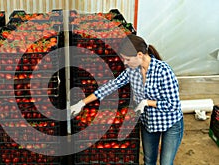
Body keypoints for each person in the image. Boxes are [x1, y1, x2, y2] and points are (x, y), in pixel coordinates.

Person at [70, 34, 184, 165]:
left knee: (166, 162)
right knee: (149, 160)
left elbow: (173, 105)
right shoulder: (132, 70)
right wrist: (82, 102)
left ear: (140, 55)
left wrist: (147, 102)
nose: (125, 63)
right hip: (150, 123)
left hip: (170, 124)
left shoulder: (163, 71)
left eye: (128, 59)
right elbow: (111, 86)